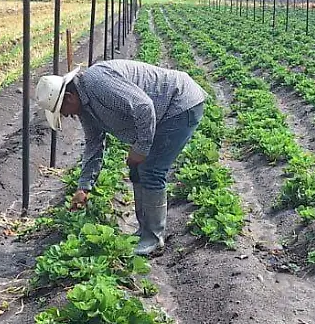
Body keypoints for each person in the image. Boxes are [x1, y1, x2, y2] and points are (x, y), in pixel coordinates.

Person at [34, 60, 207, 256]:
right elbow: (94, 144)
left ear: (69, 97)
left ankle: (153, 238)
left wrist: (140, 149)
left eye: (63, 111)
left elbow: (143, 106)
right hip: (162, 112)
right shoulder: (85, 109)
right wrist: (84, 187)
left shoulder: (98, 83)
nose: (66, 116)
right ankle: (144, 232)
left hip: (179, 104)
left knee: (151, 169)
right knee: (138, 168)